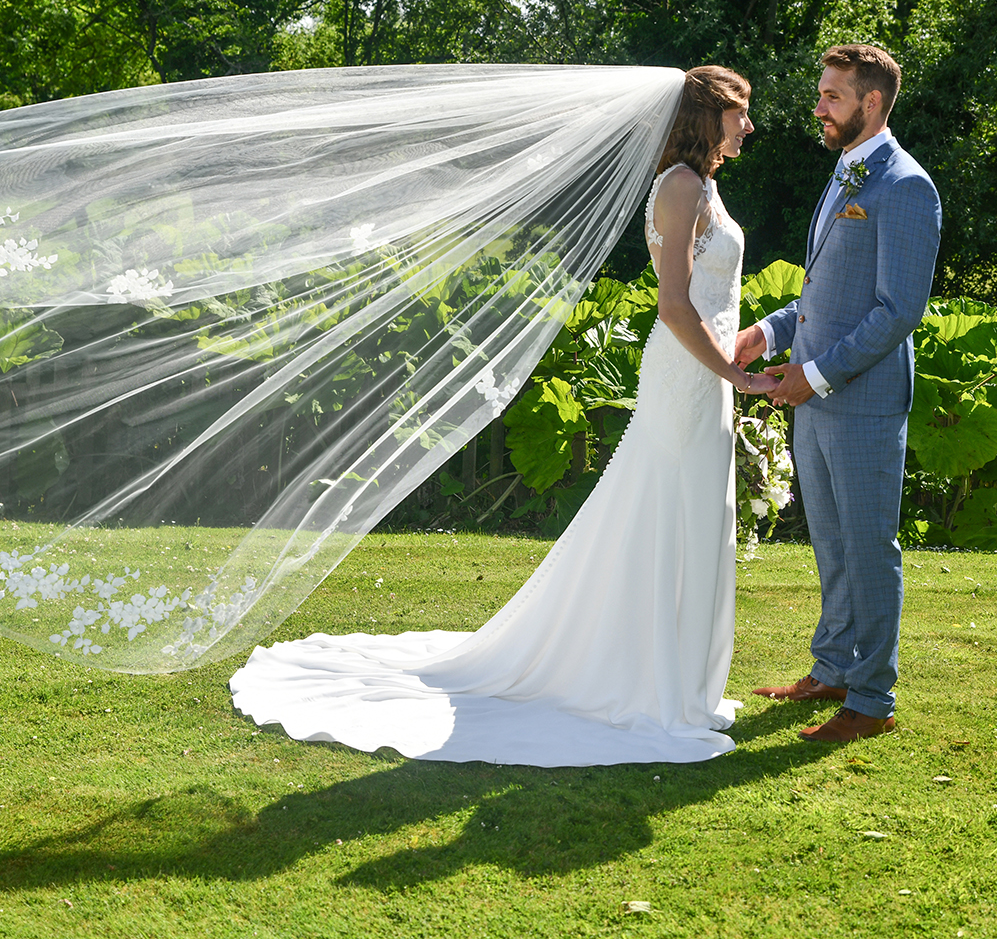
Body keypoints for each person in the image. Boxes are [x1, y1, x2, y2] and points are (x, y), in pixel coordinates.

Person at [227, 66, 777, 765]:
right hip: (688, 378)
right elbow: (674, 306)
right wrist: (731, 370)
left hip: (708, 378)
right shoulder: (679, 188)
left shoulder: (705, 186)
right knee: (666, 515)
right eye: (740, 112)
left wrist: (737, 352)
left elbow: (710, 292)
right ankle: (653, 689)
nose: (749, 124)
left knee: (696, 517)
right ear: (706, 117)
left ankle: (685, 689)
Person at [732, 43, 941, 745]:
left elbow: (895, 310)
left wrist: (813, 374)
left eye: (832, 96)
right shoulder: (844, 174)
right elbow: (822, 292)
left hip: (864, 401)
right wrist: (767, 331)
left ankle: (873, 698)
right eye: (821, 94)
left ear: (871, 103)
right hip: (814, 395)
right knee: (831, 541)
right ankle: (831, 669)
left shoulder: (907, 186)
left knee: (868, 544)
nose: (818, 107)